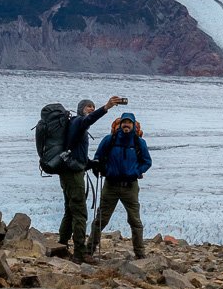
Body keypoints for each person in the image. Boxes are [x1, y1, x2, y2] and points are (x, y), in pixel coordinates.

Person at [56, 95, 124, 259]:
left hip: (68, 171)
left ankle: (60, 247)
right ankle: (80, 253)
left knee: (70, 211)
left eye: (93, 107)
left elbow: (76, 154)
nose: (91, 109)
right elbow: (90, 120)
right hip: (73, 174)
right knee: (80, 212)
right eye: (88, 107)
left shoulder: (75, 126)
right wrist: (106, 107)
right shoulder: (79, 122)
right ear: (81, 109)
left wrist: (92, 163)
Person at [86, 112, 152, 260]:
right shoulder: (109, 140)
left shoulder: (139, 142)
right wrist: (101, 169)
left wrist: (136, 171)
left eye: (129, 123)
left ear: (134, 125)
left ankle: (140, 254)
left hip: (130, 185)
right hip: (111, 185)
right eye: (124, 122)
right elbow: (98, 158)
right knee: (101, 220)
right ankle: (88, 252)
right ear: (120, 124)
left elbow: (147, 162)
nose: (126, 125)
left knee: (135, 221)